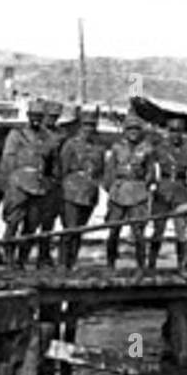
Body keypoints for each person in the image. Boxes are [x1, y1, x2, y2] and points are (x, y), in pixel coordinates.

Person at [0, 99, 58, 269]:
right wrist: (11, 185)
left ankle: (22, 260)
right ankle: (9, 259)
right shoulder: (17, 136)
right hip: (18, 186)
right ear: (28, 116)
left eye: (39, 116)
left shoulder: (48, 138)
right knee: (13, 223)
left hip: (38, 187)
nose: (37, 120)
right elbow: (7, 161)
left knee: (31, 226)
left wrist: (50, 182)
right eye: (33, 116)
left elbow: (52, 163)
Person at [104, 115, 156, 271]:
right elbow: (109, 171)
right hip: (119, 192)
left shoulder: (147, 149)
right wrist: (112, 189)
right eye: (130, 129)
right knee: (113, 231)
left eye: (136, 129)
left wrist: (143, 186)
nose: (133, 132)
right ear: (125, 131)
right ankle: (110, 264)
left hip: (137, 192)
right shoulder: (117, 147)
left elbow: (150, 172)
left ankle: (141, 266)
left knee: (138, 232)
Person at [57, 109, 105, 269]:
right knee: (69, 230)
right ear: (80, 126)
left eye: (92, 125)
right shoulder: (70, 144)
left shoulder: (99, 147)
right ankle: (63, 263)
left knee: (79, 230)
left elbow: (101, 171)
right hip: (71, 191)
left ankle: (73, 262)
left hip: (89, 193)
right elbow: (62, 169)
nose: (89, 129)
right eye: (86, 125)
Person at [149, 117, 187, 270]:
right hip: (162, 191)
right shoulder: (159, 148)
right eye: (172, 131)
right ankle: (151, 266)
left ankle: (181, 267)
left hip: (181, 193)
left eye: (178, 131)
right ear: (167, 131)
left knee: (181, 231)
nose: (175, 135)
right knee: (158, 230)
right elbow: (146, 162)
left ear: (183, 132)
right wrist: (150, 181)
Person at [35, 100, 68, 268]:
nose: (52, 120)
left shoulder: (59, 135)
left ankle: (43, 254)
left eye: (55, 117)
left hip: (50, 184)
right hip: (27, 182)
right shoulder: (32, 134)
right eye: (49, 116)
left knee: (48, 221)